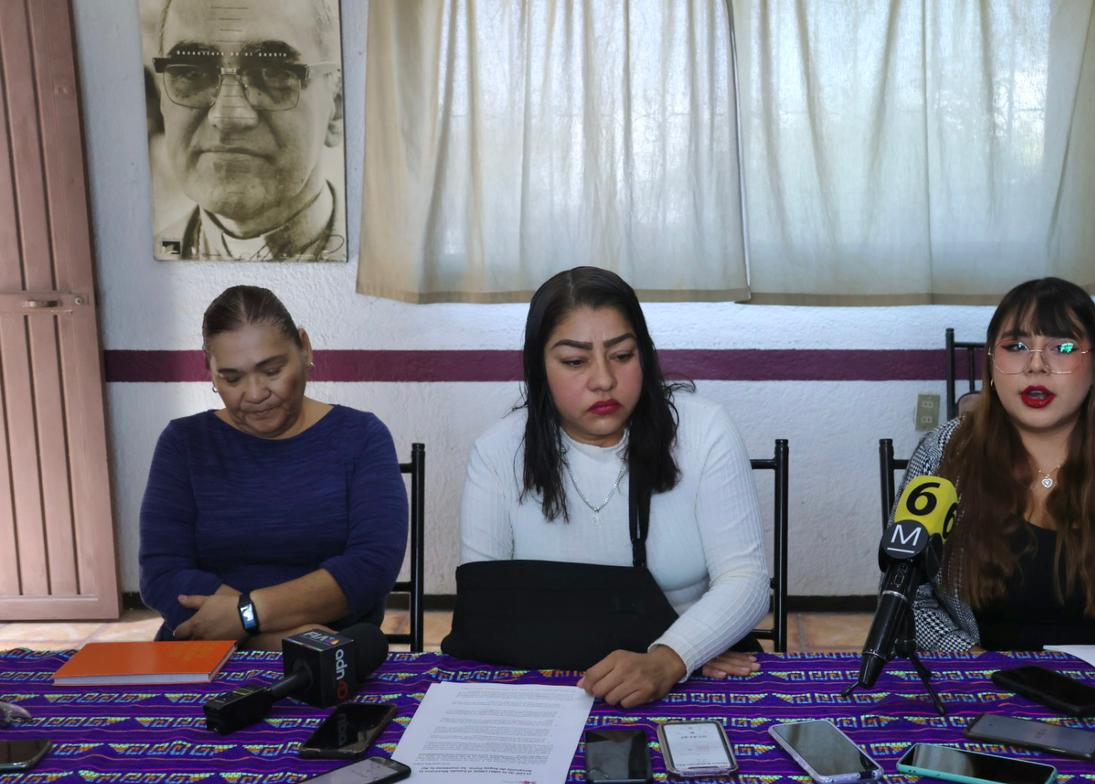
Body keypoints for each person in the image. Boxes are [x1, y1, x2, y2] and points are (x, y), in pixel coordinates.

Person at [460, 267, 772, 706]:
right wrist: (682, 646)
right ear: (539, 368)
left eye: (622, 355)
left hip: (689, 677)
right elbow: (487, 612)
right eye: (575, 362)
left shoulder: (704, 430)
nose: (604, 380)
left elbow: (747, 580)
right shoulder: (497, 453)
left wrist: (676, 655)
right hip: (551, 689)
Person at [906, 277, 1095, 651]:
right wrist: (972, 660)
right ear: (991, 361)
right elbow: (907, 594)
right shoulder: (946, 451)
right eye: (1015, 346)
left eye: (1062, 347)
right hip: (984, 677)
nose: (1036, 365)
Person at [139, 286, 406, 649]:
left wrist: (247, 615)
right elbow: (163, 574)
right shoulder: (184, 443)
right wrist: (288, 640)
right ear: (210, 371)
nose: (254, 393)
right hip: (220, 654)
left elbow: (371, 567)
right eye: (232, 378)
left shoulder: (361, 436)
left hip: (330, 662)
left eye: (272, 370)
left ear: (305, 348)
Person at [149, 0, 346, 261]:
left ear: (336, 106)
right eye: (192, 73)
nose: (227, 116)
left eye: (272, 72)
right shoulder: (142, 264)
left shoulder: (384, 267)